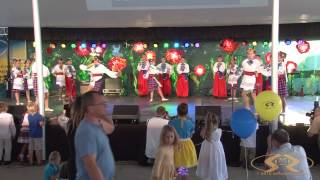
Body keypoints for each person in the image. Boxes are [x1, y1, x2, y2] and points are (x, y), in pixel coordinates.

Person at [75, 91, 115, 180]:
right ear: (90, 108)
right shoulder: (86, 131)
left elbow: (111, 128)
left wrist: (102, 115)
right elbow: (91, 165)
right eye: (101, 104)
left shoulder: (97, 125)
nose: (105, 106)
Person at [169, 103, 197, 180]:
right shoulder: (190, 123)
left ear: (177, 112)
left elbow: (170, 133)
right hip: (186, 146)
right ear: (187, 112)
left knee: (175, 165)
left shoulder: (172, 122)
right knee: (183, 166)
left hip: (175, 145)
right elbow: (191, 135)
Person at [196, 112, 228, 180]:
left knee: (207, 163)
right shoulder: (219, 130)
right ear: (217, 122)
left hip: (206, 148)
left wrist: (206, 128)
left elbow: (202, 136)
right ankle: (216, 175)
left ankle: (207, 175)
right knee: (216, 162)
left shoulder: (205, 130)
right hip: (217, 149)